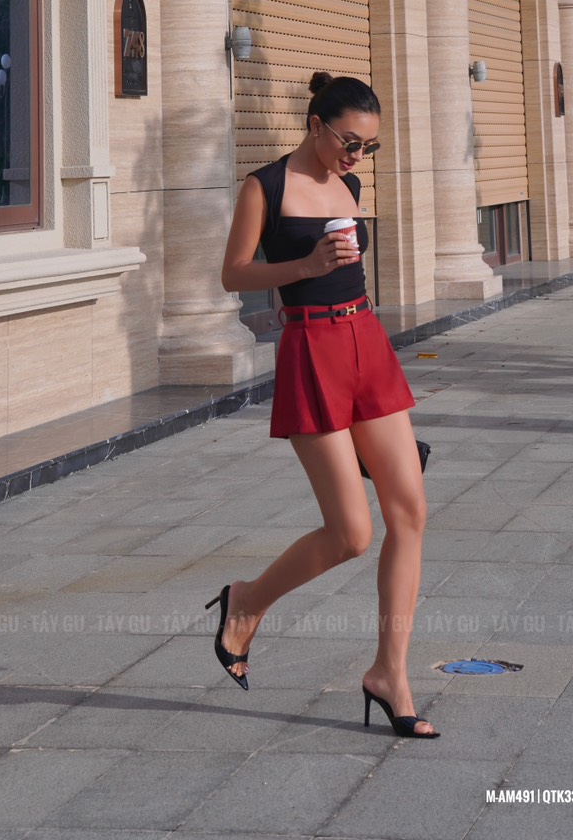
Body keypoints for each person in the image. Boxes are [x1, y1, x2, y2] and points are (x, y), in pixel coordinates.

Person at [208, 71, 438, 739]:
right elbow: (233, 273)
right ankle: (246, 603)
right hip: (312, 354)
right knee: (350, 535)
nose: (357, 156)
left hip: (367, 343)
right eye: (349, 142)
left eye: (369, 146)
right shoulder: (265, 187)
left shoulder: (351, 187)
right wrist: (304, 268)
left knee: (410, 513)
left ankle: (390, 673)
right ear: (316, 126)